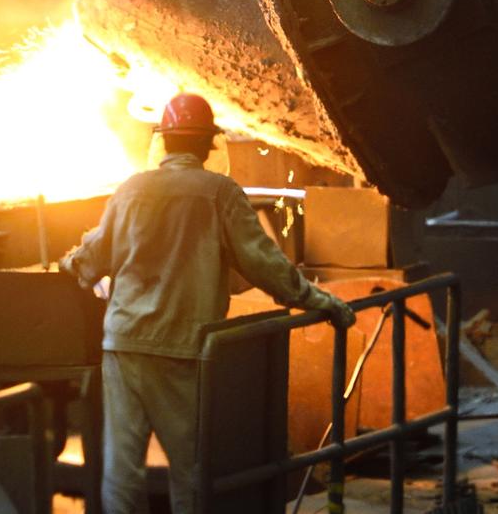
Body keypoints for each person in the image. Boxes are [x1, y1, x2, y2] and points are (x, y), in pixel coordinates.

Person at [63, 92, 359, 514]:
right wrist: (319, 300)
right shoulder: (219, 192)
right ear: (207, 144)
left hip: (125, 342)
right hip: (182, 349)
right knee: (189, 469)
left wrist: (69, 261)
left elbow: (90, 260)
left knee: (121, 471)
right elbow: (265, 264)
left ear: (164, 141)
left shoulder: (131, 189)